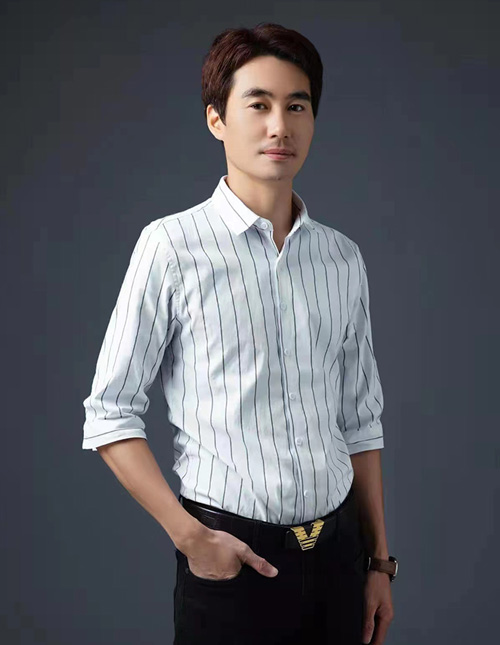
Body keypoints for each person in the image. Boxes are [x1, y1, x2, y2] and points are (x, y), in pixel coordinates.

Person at [82, 21, 397, 645]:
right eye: (258, 104)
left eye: (297, 106)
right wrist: (191, 538)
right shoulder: (171, 247)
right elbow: (109, 414)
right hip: (231, 562)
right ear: (216, 119)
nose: (280, 126)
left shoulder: (341, 258)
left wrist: (378, 564)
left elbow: (361, 420)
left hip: (339, 557)